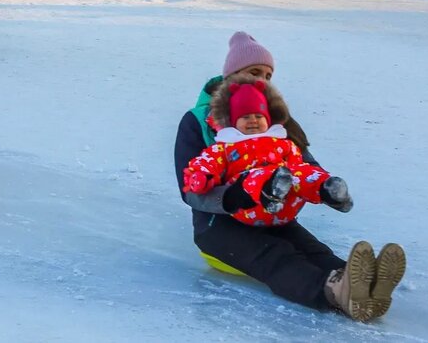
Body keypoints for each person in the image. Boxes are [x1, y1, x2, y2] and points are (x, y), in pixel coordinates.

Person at [173, 31, 406, 322]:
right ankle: (334, 292)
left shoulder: (274, 121)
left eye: (269, 75)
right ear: (232, 74)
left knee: (313, 250)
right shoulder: (197, 120)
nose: (263, 81)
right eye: (255, 72)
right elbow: (191, 190)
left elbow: (304, 166)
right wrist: (236, 196)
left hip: (274, 216)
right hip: (219, 227)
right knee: (277, 255)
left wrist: (326, 189)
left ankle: (362, 286)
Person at [184, 80, 353, 227]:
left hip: (286, 208)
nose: (253, 121)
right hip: (250, 207)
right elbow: (207, 161)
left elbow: (297, 166)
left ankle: (328, 190)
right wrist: (201, 177)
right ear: (233, 122)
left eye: (259, 116)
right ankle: (270, 190)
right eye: (245, 117)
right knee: (255, 177)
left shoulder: (283, 143)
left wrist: (307, 177)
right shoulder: (226, 145)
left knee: (300, 172)